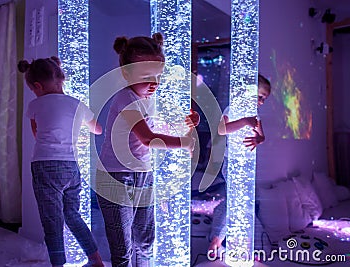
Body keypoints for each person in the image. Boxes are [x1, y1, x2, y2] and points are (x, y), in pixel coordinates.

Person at [95, 33, 199, 267]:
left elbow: (159, 128)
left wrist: (187, 123)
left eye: (158, 76)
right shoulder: (125, 98)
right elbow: (149, 138)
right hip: (115, 177)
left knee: (145, 241)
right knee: (123, 247)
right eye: (146, 76)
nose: (154, 83)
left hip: (144, 175)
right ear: (126, 73)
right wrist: (185, 143)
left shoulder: (148, 99)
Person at [18, 56, 104, 267]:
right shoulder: (76, 104)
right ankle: (96, 260)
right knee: (72, 215)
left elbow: (37, 134)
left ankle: (58, 264)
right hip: (71, 167)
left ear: (37, 86)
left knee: (52, 220)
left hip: (45, 165)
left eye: (33, 89)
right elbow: (98, 129)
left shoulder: (36, 104)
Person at [208, 74, 271, 255]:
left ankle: (225, 239)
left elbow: (262, 136)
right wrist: (244, 121)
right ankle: (217, 239)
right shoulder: (233, 108)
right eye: (260, 96)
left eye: (264, 99)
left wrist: (258, 140)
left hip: (246, 164)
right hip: (232, 162)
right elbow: (221, 129)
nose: (261, 101)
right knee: (235, 201)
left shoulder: (254, 113)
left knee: (241, 202)